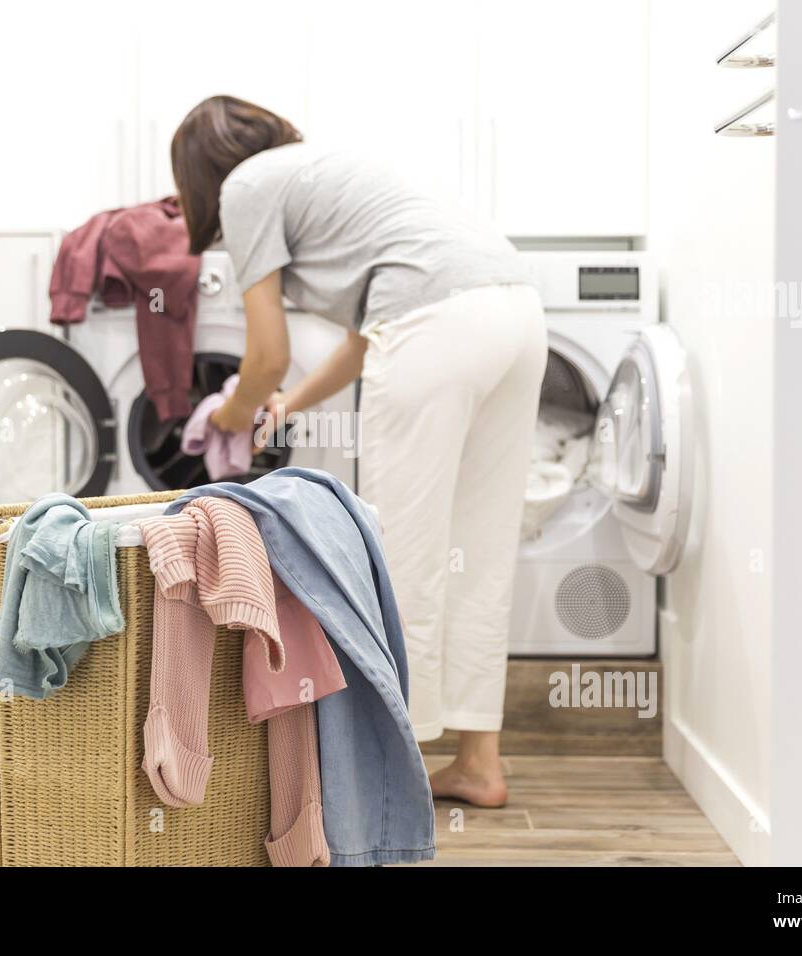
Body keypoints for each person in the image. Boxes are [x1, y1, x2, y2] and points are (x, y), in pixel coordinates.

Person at [170, 95, 547, 808]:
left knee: (396, 553)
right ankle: (478, 765)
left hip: (438, 327)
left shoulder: (245, 188)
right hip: (517, 316)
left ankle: (375, 778)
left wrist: (233, 413)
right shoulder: (327, 169)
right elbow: (365, 337)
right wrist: (291, 405)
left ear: (200, 172)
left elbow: (266, 355)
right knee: (479, 550)